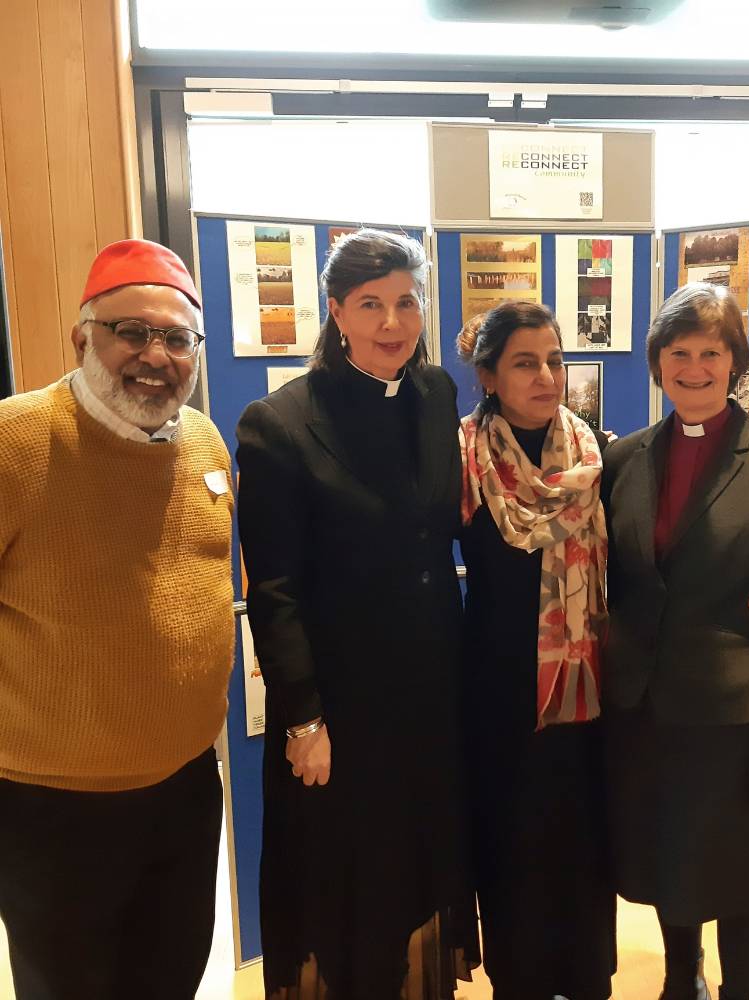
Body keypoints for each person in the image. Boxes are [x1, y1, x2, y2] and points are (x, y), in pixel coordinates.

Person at [236, 229, 477, 1000]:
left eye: (406, 302)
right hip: (339, 709)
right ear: (337, 311)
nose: (392, 322)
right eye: (370, 304)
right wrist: (303, 719)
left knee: (418, 874)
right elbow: (274, 590)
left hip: (429, 697)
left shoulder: (437, 394)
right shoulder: (278, 424)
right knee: (353, 891)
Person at [0, 239, 234, 999]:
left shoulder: (203, 440)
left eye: (175, 337)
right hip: (52, 809)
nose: (154, 355)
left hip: (186, 790)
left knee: (170, 980)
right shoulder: (17, 439)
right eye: (130, 331)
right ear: (83, 337)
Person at [602, 283, 749, 1000]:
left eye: (711, 354)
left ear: (736, 364)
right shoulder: (624, 459)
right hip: (642, 708)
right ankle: (677, 981)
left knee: (736, 874)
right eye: (678, 353)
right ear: (657, 362)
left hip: (733, 716)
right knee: (670, 860)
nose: (694, 368)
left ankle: (736, 994)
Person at [456, 301, 617, 1000]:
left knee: (583, 848)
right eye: (526, 362)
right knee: (510, 849)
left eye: (555, 359)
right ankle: (517, 980)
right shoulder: (460, 462)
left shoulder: (598, 453)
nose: (547, 374)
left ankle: (587, 980)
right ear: (489, 376)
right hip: (496, 697)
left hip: (584, 692)